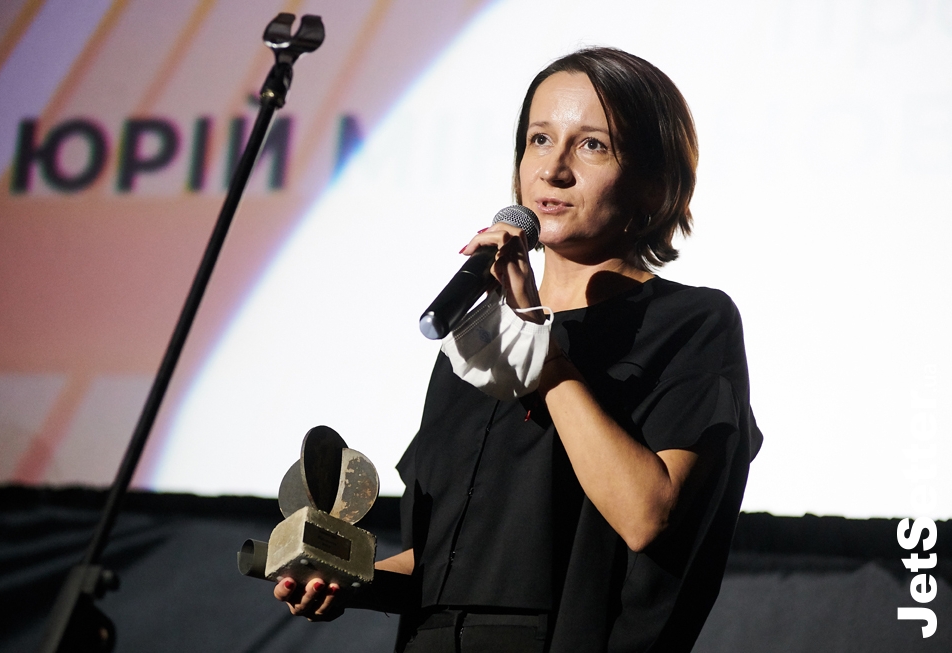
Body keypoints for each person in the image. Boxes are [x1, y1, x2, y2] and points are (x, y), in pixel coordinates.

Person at [274, 47, 762, 652]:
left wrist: (541, 350)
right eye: (539, 139)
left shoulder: (691, 323)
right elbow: (443, 561)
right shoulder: (479, 338)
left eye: (592, 145)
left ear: (654, 182)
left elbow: (646, 515)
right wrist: (346, 579)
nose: (553, 169)